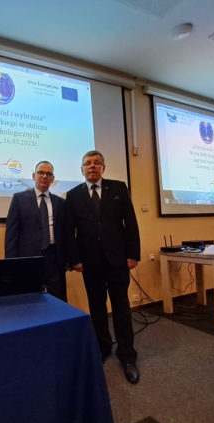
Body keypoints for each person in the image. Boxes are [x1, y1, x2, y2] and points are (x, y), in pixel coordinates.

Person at [65, 150, 141, 384]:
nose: (92, 166)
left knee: (121, 308)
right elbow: (69, 231)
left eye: (97, 163)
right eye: (88, 163)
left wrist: (133, 254)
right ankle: (102, 348)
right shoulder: (73, 195)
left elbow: (131, 223)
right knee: (97, 309)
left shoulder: (118, 188)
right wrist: (75, 259)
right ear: (82, 169)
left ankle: (127, 356)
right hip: (90, 263)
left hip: (117, 260)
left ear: (103, 168)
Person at [4, 161, 68, 302]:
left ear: (52, 179)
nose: (44, 176)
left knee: (58, 301)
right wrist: (11, 262)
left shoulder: (61, 203)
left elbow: (65, 234)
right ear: (34, 176)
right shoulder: (19, 199)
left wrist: (69, 259)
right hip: (28, 258)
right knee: (30, 301)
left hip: (54, 258)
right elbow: (11, 233)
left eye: (48, 174)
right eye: (41, 173)